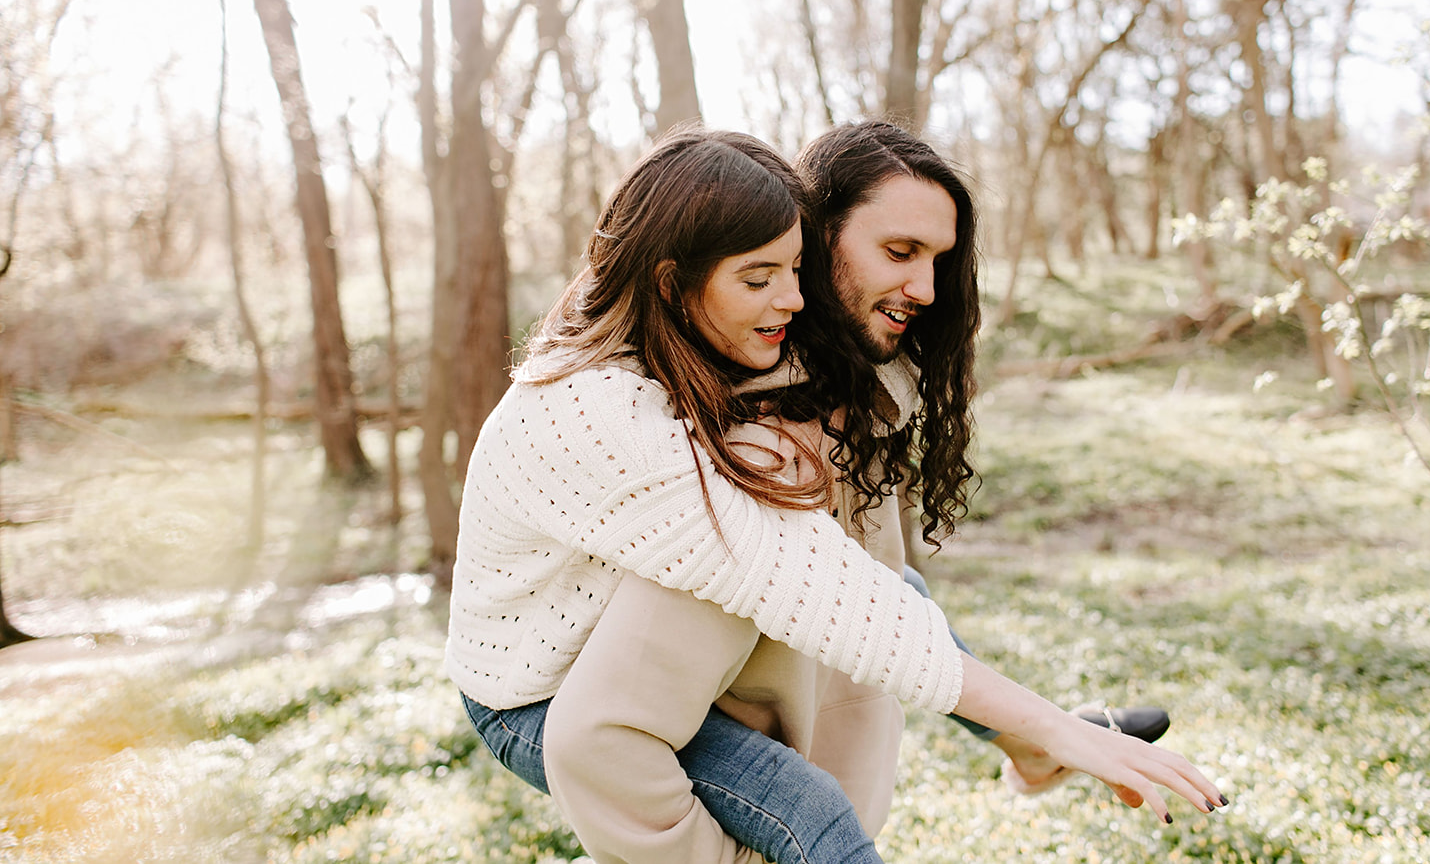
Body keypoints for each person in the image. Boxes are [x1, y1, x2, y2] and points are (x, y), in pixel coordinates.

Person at [471, 122, 1222, 864]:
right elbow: (815, 583)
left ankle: (1023, 739)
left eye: (790, 273)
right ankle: (1033, 737)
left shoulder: (736, 346)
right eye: (899, 252)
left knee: (900, 586)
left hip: (630, 653)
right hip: (537, 685)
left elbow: (868, 583)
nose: (791, 300)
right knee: (809, 807)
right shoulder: (606, 417)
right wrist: (1063, 729)